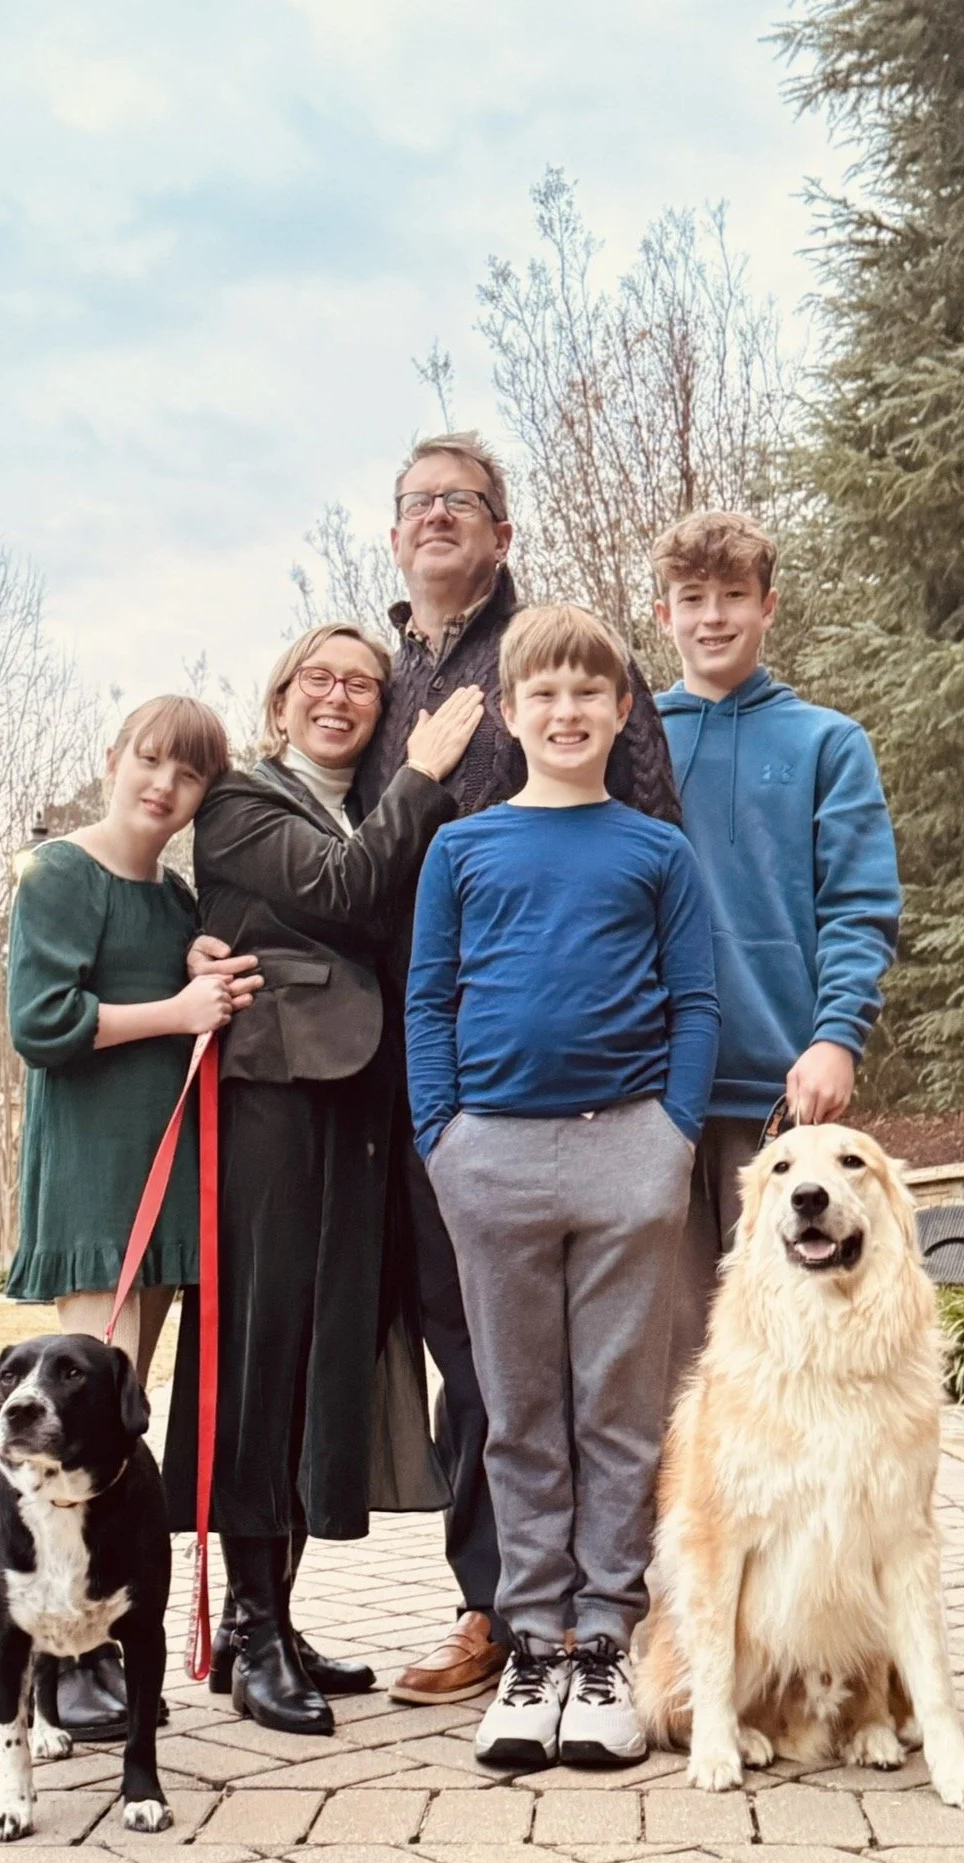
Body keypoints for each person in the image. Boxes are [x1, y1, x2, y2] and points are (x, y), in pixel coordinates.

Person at [356, 431, 684, 1709]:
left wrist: (662, 1109)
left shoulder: (560, 656)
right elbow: (342, 849)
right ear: (394, 534)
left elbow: (652, 839)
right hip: (431, 1081)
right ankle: (499, 1604)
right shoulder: (381, 683)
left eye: (464, 501)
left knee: (599, 1371)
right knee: (474, 1356)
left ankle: (602, 1613)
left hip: (593, 1094)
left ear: (503, 533)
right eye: (417, 501)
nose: (437, 516)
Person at [406, 603, 718, 1769]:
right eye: (544, 691)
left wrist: (671, 1136)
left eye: (590, 691)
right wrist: (443, 1135)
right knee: (519, 1408)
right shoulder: (462, 849)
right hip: (490, 1154)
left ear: (623, 709)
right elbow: (428, 998)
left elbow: (695, 999)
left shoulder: (656, 851)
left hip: (627, 1149)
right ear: (510, 710)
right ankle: (532, 1640)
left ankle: (603, 1644)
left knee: (617, 1408)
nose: (567, 709)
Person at [162, 624, 483, 1737]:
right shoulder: (240, 802)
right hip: (271, 1105)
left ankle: (276, 1619)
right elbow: (341, 888)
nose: (339, 696)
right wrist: (423, 773)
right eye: (319, 678)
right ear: (281, 698)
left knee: (317, 1359)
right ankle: (250, 1633)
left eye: (362, 683)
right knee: (261, 1354)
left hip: (362, 1111)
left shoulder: (371, 808)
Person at [6, 694, 258, 1737]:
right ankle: (56, 1658)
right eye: (150, 761)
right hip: (97, 1179)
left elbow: (180, 983)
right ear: (113, 758)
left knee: (117, 1425)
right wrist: (176, 1009)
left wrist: (197, 964)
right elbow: (42, 1021)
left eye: (188, 774)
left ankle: (98, 1632)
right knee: (65, 1429)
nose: (165, 785)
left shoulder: (172, 896)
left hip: (163, 1182)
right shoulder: (61, 872)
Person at [653, 511, 901, 1388]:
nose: (712, 616)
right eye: (692, 598)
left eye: (732, 595)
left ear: (768, 606)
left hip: (782, 1102)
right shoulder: (627, 740)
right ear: (663, 614)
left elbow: (860, 906)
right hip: (652, 1094)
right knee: (669, 1365)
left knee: (787, 1355)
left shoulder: (827, 743)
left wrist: (836, 1035)